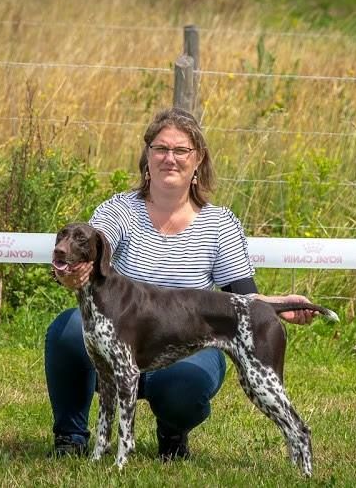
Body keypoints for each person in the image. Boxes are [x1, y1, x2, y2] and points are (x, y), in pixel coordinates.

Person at [45, 107, 315, 460]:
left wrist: (281, 304)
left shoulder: (220, 224)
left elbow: (243, 300)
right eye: (160, 149)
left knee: (184, 384)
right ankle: (70, 438)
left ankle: (172, 437)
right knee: (66, 332)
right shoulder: (120, 210)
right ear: (147, 156)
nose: (169, 158)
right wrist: (74, 271)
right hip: (122, 342)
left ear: (198, 159)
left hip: (189, 341)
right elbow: (93, 247)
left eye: (180, 150)